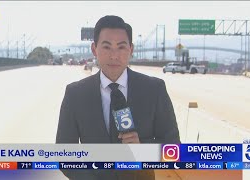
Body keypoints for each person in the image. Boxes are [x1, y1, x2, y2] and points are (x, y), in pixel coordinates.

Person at [56, 15, 180, 180]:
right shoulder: (75, 94)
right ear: (94, 49)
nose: (114, 56)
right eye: (107, 47)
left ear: (131, 49)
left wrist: (142, 149)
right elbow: (65, 155)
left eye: (121, 47)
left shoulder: (154, 89)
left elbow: (174, 149)